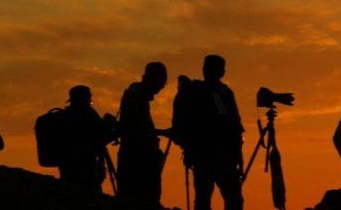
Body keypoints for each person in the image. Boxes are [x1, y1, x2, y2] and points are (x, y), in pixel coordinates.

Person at [173, 55, 245, 210]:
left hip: (209, 156)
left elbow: (234, 126)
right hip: (214, 157)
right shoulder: (219, 92)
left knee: (206, 199)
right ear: (222, 72)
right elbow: (234, 125)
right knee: (226, 198)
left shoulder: (198, 91)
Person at [117, 62, 172, 207]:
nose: (162, 87)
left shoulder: (135, 95)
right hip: (138, 160)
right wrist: (162, 133)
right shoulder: (136, 97)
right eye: (162, 82)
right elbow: (136, 130)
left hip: (134, 157)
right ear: (154, 79)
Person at [57, 85, 116, 193]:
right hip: (85, 166)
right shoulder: (87, 113)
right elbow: (100, 135)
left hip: (67, 166)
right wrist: (109, 127)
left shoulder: (65, 116)